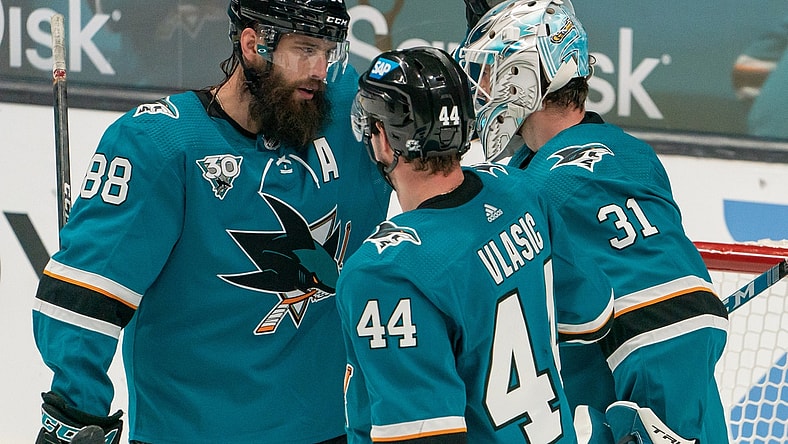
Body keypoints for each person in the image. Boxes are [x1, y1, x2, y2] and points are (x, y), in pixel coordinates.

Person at [33, 0, 391, 443]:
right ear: (253, 43)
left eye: (328, 51)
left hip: (330, 430)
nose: (320, 68)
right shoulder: (160, 145)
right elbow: (86, 296)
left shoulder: (354, 116)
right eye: (304, 50)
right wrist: (75, 411)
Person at [456, 1, 730, 443]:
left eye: (492, 70)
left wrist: (669, 430)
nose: (482, 87)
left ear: (524, 77)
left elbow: (677, 331)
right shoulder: (622, 154)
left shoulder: (562, 187)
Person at [336, 46, 613, 443]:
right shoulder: (521, 191)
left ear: (383, 141)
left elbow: (424, 436)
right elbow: (590, 314)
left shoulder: (385, 271)